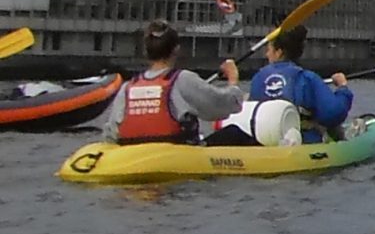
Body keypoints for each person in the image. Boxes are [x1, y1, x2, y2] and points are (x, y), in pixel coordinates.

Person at [107, 20, 242, 145]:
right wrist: (232, 80)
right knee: (233, 132)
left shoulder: (128, 88)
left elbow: (111, 133)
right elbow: (222, 108)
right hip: (176, 153)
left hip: (133, 154)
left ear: (146, 51)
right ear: (176, 49)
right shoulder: (183, 79)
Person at [235, 25, 353, 144]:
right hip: (303, 142)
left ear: (279, 52)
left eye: (268, 50)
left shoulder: (258, 78)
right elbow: (332, 114)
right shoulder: (307, 78)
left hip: (264, 141)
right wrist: (342, 88)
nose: (267, 54)